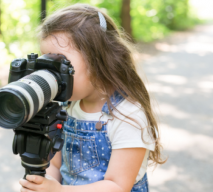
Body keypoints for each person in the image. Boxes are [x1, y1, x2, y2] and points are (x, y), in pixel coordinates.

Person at [19, 3, 166, 192]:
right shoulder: (65, 107)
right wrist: (41, 185)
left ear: (98, 60)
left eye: (60, 63)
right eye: (46, 62)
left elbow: (117, 186)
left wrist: (59, 191)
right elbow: (55, 165)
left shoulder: (128, 116)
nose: (51, 74)